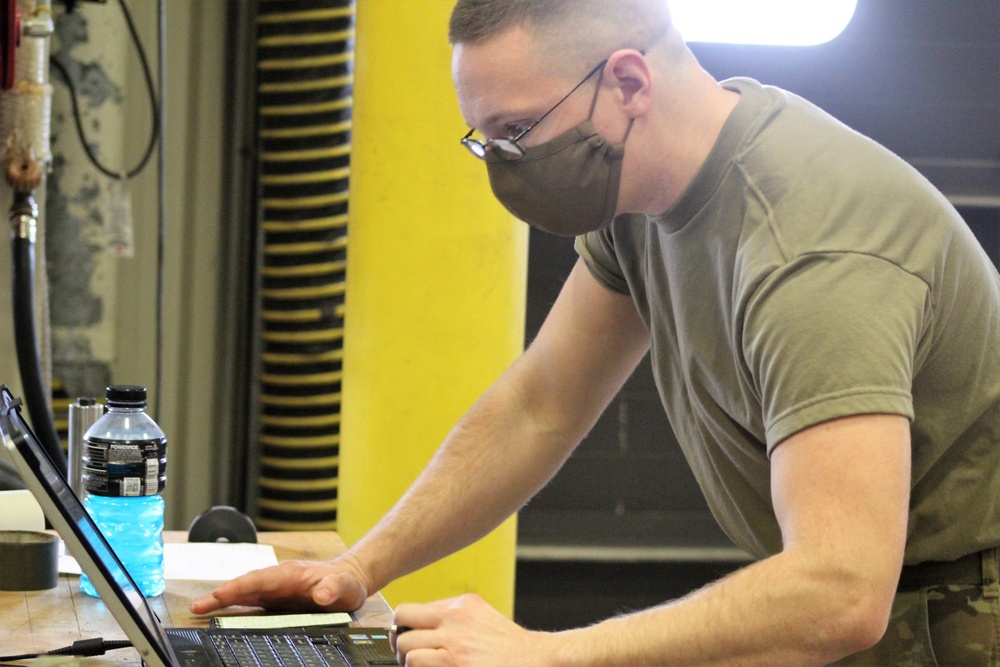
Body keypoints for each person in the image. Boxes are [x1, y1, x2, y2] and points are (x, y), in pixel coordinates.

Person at [192, 1, 1000, 664]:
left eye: (517, 132)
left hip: (959, 613)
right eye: (486, 140)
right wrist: (356, 568)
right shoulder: (644, 195)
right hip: (868, 599)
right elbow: (540, 402)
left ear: (628, 81)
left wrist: (543, 653)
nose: (503, 163)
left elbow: (839, 590)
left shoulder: (812, 253)